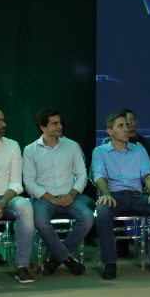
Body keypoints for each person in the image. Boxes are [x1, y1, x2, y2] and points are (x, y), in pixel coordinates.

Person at [91, 111, 150, 279]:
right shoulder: (100, 151)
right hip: (114, 196)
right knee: (102, 210)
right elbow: (99, 175)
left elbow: (148, 173)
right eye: (121, 126)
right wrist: (105, 194)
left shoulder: (139, 150)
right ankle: (110, 263)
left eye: (127, 125)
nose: (126, 129)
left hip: (137, 196)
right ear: (110, 131)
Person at [22, 108, 93, 276]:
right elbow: (29, 182)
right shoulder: (30, 150)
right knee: (40, 219)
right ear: (42, 127)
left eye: (60, 122)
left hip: (71, 196)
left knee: (88, 217)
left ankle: (55, 259)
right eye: (54, 123)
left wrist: (72, 194)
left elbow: (82, 175)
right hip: (45, 199)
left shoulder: (72, 146)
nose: (60, 126)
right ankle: (67, 259)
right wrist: (50, 198)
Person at [0, 106, 36, 283]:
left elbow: (16, 183)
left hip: (6, 199)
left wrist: (2, 203)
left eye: (3, 120)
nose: (4, 124)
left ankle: (22, 266)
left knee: (25, 206)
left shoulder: (12, 145)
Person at [120, 109, 150, 186]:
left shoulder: (149, 145)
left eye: (132, 119)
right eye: (126, 120)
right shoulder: (115, 144)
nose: (129, 122)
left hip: (146, 188)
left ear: (136, 122)